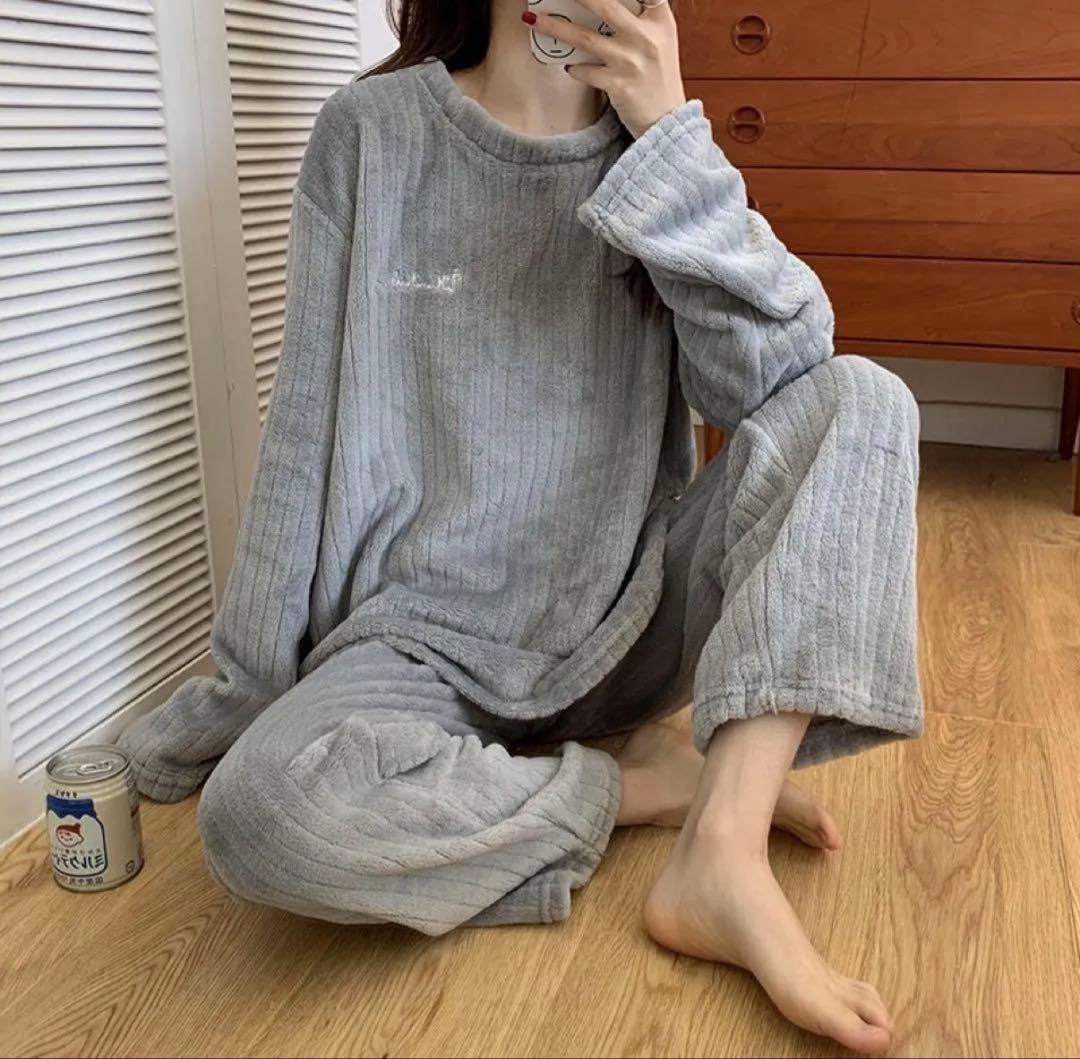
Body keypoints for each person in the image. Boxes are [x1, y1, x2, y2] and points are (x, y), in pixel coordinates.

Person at [119, 0, 922, 1052]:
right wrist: (241, 698)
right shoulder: (372, 135)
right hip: (420, 651)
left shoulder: (657, 153)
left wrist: (670, 141)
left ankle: (721, 850)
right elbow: (302, 432)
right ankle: (639, 783)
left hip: (628, 618)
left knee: (865, 400)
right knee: (261, 813)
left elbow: (780, 385)